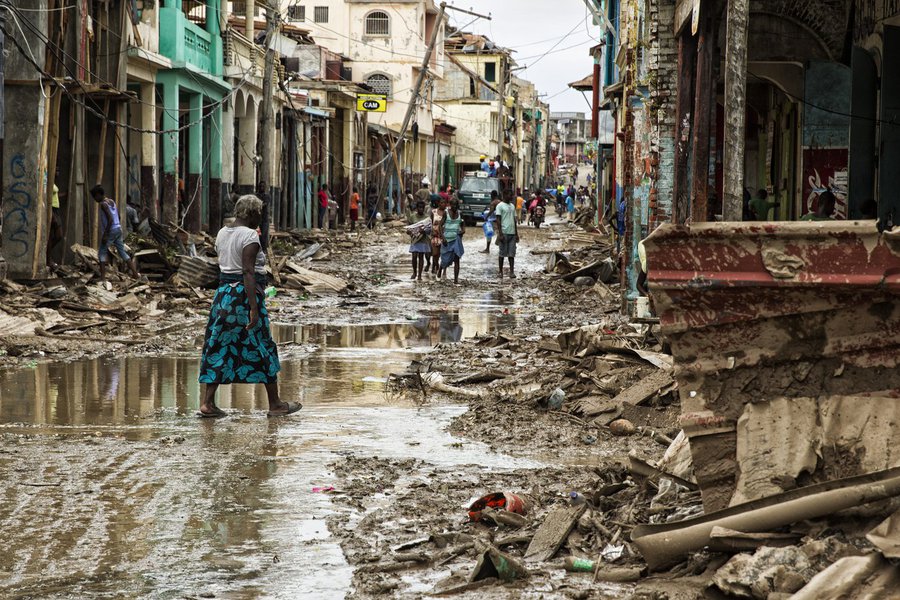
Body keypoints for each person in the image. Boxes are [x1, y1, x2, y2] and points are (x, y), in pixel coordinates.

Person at [198, 194, 301, 419]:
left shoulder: (222, 233)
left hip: (223, 297)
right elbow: (247, 272)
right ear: (252, 213)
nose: (260, 218)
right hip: (243, 298)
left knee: (218, 345)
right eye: (259, 214)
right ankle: (275, 404)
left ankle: (207, 403)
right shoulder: (250, 236)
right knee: (262, 345)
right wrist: (254, 308)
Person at [91, 185, 141, 280]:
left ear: (98, 194)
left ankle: (102, 278)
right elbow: (118, 217)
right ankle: (135, 274)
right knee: (122, 252)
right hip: (118, 228)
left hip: (111, 230)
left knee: (101, 253)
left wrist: (105, 234)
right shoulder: (111, 201)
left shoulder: (103, 204)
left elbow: (110, 219)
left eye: (94, 197)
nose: (95, 199)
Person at [439, 201, 465, 284]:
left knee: (457, 259)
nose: (454, 206)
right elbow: (440, 225)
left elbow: (462, 224)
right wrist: (442, 237)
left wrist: (463, 231)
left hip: (456, 239)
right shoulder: (446, 213)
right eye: (453, 204)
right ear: (450, 205)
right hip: (447, 239)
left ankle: (456, 280)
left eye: (456, 205)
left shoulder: (460, 213)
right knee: (445, 260)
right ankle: (440, 268)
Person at [495, 191, 519, 279]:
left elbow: (514, 220)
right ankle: (500, 271)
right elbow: (498, 220)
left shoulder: (512, 206)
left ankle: (511, 272)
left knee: (511, 254)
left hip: (512, 233)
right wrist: (500, 233)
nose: (512, 197)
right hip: (504, 232)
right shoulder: (500, 206)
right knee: (502, 254)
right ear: (505, 195)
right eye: (510, 195)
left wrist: (516, 233)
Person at [406, 201, 431, 280]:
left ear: (424, 208)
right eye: (419, 207)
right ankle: (414, 272)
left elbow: (429, 230)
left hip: (423, 240)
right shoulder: (412, 216)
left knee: (421, 256)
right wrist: (409, 232)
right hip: (414, 240)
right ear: (417, 208)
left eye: (422, 208)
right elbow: (408, 227)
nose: (421, 209)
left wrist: (424, 231)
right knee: (414, 256)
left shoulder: (427, 218)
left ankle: (419, 275)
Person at [47, 180, 63, 268]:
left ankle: (47, 254)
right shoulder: (46, 180)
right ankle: (48, 259)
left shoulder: (52, 181)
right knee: (51, 236)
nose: (58, 173)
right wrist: (52, 214)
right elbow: (47, 197)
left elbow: (54, 195)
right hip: (51, 209)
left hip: (56, 210)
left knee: (58, 236)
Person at [430, 197, 447, 275]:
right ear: (438, 203)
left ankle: (443, 270)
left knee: (444, 254)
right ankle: (436, 266)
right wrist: (431, 232)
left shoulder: (447, 213)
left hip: (444, 236)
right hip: (435, 235)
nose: (443, 204)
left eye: (444, 203)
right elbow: (430, 223)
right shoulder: (433, 212)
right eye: (441, 202)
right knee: (435, 254)